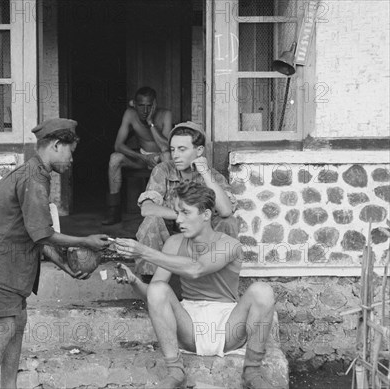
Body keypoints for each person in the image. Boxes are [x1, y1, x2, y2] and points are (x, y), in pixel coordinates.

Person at [0, 118, 111, 389]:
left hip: (8, 263)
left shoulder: (37, 174)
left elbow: (35, 233)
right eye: (71, 152)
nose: (72, 160)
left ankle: (9, 386)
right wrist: (86, 240)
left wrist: (64, 266)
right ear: (55, 145)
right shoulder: (34, 178)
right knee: (4, 329)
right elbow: (42, 234)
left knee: (18, 322)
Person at [113, 183, 277, 389]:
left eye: (185, 213)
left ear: (206, 214)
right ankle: (175, 371)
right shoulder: (174, 243)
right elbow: (154, 296)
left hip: (227, 326)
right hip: (189, 324)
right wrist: (134, 281)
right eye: (177, 213)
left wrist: (144, 251)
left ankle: (252, 371)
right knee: (157, 288)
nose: (179, 220)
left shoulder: (229, 244)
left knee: (262, 290)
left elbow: (197, 268)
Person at [135, 121, 239, 279]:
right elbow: (147, 209)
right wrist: (183, 215)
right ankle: (150, 283)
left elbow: (226, 211)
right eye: (172, 149)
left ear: (199, 151)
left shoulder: (213, 176)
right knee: (151, 221)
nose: (175, 155)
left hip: (201, 240)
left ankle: (218, 278)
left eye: (182, 149)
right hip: (169, 238)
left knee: (228, 222)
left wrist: (205, 174)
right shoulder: (163, 170)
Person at [102, 86, 173, 225]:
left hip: (160, 159)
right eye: (141, 106)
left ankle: (169, 210)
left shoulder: (165, 114)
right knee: (115, 158)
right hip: (142, 157)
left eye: (149, 106)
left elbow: (166, 146)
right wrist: (143, 157)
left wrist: (151, 123)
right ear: (134, 104)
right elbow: (118, 145)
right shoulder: (130, 114)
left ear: (155, 104)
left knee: (166, 157)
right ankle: (113, 210)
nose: (145, 111)